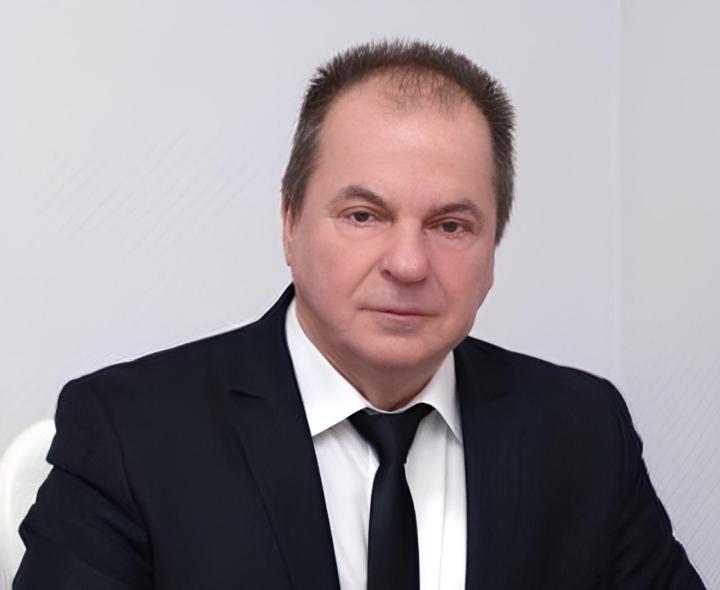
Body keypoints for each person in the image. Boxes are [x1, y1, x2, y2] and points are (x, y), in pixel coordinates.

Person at [14, 40, 704, 590]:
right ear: (290, 222)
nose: (407, 263)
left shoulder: (583, 432)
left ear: (495, 245)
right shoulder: (129, 433)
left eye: (451, 225)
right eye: (363, 215)